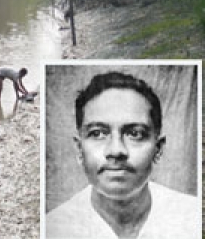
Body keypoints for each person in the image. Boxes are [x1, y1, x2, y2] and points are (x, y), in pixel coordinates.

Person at [45, 71, 200, 239]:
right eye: (97, 133)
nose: (116, 151)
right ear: (79, 149)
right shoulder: (53, 229)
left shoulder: (193, 219)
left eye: (135, 133)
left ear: (158, 148)